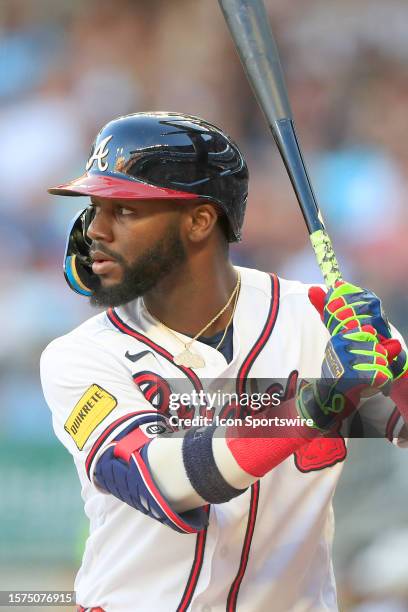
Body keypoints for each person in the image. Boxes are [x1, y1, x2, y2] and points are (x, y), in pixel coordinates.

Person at [40, 112, 408, 612]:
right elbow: (162, 479)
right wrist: (315, 403)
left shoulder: (315, 318)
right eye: (94, 208)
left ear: (199, 221)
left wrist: (396, 371)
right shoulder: (80, 356)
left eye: (123, 210)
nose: (94, 231)